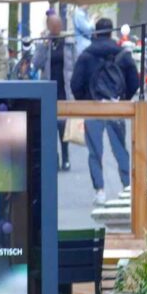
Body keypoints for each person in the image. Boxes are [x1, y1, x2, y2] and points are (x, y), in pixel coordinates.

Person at [70, 18, 139, 205]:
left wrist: (84, 101)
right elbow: (134, 81)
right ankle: (126, 188)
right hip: (117, 108)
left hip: (93, 107)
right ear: (111, 32)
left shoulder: (86, 55)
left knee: (95, 151)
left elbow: (75, 83)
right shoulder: (122, 54)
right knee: (120, 149)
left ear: (95, 33)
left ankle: (99, 190)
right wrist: (123, 99)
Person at [32, 11, 77, 170]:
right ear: (48, 26)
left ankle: (66, 158)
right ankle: (54, 158)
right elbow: (36, 63)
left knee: (63, 126)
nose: (56, 27)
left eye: (58, 24)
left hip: (64, 89)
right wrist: (43, 45)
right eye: (53, 25)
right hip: (49, 89)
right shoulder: (45, 42)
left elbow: (75, 64)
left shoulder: (69, 42)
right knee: (50, 126)